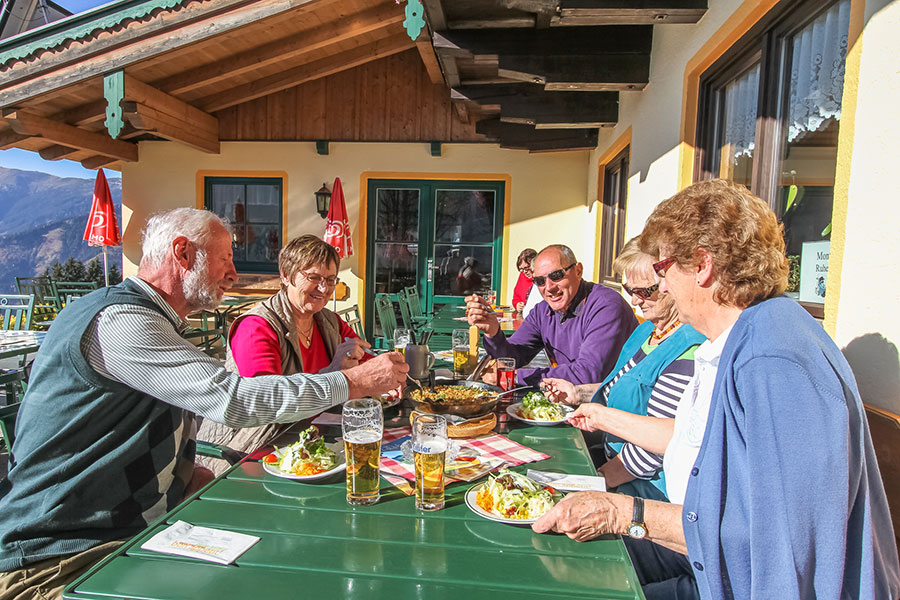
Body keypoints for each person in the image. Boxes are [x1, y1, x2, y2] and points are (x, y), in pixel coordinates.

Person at [0, 208, 408, 599]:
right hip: (61, 558)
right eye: (225, 258)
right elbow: (237, 399)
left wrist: (181, 475)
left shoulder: (151, 319)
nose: (233, 273)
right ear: (182, 253)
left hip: (138, 529)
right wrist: (352, 382)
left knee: (293, 558)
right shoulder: (121, 321)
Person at [532, 180, 899, 600]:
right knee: (552, 558)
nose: (662, 288)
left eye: (664, 270)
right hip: (704, 554)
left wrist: (625, 513)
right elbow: (693, 438)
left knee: (566, 581)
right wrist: (599, 415)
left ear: (703, 264)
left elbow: (777, 549)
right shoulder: (738, 337)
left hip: (732, 580)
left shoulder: (772, 360)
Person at [541, 237, 704, 501]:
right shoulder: (647, 330)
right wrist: (577, 393)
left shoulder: (689, 347)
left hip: (644, 491)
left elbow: (657, 448)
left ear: (669, 283)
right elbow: (623, 385)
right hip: (612, 465)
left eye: (645, 291)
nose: (636, 300)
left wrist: (596, 479)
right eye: (630, 290)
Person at [196, 235, 372, 474]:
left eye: (330, 280)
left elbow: (367, 361)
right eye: (313, 278)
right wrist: (333, 374)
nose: (324, 289)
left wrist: (390, 374)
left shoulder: (329, 321)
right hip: (248, 452)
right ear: (286, 275)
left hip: (310, 444)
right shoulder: (257, 326)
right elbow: (266, 402)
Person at [466, 244, 637, 386]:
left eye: (556, 276)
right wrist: (493, 332)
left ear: (578, 271)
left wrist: (516, 376)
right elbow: (513, 357)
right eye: (540, 281)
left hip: (614, 407)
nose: (549, 287)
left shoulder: (606, 306)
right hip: (574, 400)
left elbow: (588, 374)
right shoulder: (543, 311)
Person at [511, 248, 536, 314]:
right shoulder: (522, 275)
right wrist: (517, 304)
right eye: (522, 269)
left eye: (527, 268)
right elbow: (516, 296)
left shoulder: (542, 278)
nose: (525, 272)